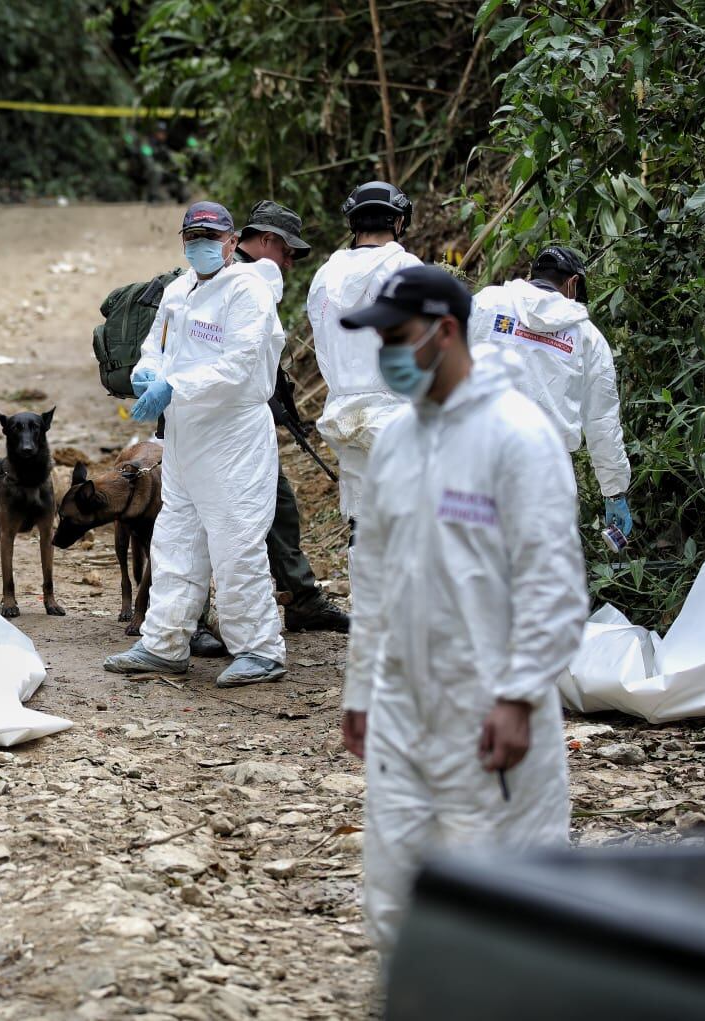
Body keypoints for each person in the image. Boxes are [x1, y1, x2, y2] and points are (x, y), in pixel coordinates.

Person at [338, 265, 586, 957]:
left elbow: (553, 583)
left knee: (504, 904)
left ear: (444, 331)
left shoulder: (515, 436)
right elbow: (375, 574)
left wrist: (517, 694)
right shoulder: (395, 441)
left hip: (488, 711)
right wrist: (360, 689)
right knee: (393, 895)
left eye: (396, 337)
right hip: (400, 709)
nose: (386, 354)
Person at [103, 201, 288, 687]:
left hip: (233, 436)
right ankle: (164, 642)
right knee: (176, 538)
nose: (200, 245)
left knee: (235, 541)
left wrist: (176, 386)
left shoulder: (248, 290)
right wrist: (149, 373)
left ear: (232, 241)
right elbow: (156, 347)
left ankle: (260, 649)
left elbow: (240, 364)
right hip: (184, 436)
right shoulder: (179, 289)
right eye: (192, 237)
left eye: (211, 237)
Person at [230, 200, 350, 634]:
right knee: (214, 524)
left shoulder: (247, 279)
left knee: (278, 507)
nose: (290, 263)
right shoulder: (231, 280)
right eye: (287, 253)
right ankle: (196, 618)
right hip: (221, 428)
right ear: (267, 241)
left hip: (246, 423)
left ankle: (301, 598)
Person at [468, 244, 634, 538]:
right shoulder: (588, 339)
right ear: (572, 284)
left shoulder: (485, 304)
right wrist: (614, 491)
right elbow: (602, 424)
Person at [306, 181, 422, 534]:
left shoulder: (324, 277)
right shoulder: (407, 268)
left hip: (344, 416)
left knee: (363, 522)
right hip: (399, 415)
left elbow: (324, 344)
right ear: (398, 222)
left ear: (353, 223)